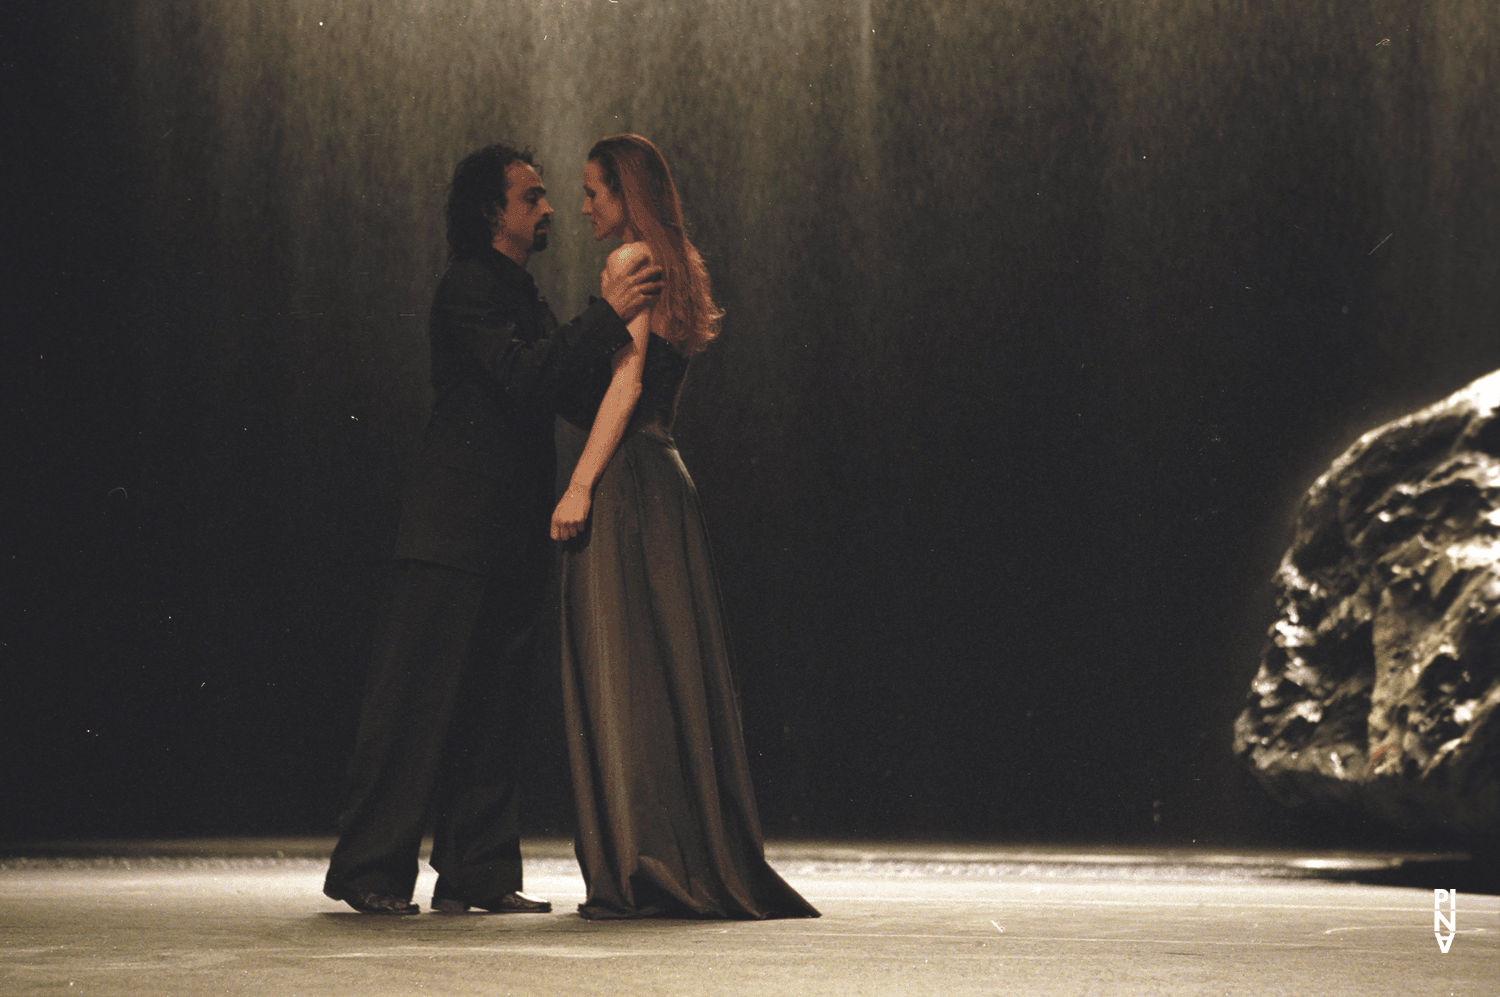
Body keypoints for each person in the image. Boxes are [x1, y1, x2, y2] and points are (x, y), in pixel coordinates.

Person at [322, 142, 661, 915]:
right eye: (532, 197)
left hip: (507, 530)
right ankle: (371, 870)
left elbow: (567, 386)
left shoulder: (523, 293)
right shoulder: (469, 288)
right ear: (492, 213)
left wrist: (637, 362)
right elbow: (523, 375)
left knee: (493, 703)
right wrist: (606, 317)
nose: (549, 211)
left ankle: (477, 872)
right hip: (452, 530)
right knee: (417, 704)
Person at [549, 134, 819, 920]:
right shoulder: (676, 261)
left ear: (625, 194)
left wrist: (579, 483)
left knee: (621, 672)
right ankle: (675, 851)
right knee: (662, 673)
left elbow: (627, 384)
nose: (586, 205)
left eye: (595, 189)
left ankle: (643, 861)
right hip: (664, 478)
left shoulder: (630, 263)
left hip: (628, 478)